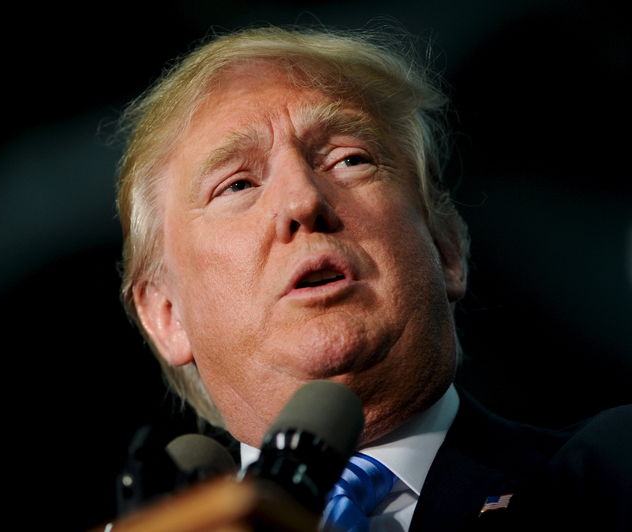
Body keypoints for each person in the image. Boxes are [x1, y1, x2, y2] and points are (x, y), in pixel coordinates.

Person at [112, 25, 630, 531]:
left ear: (446, 249)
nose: (303, 201)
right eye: (237, 184)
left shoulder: (611, 474)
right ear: (167, 315)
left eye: (349, 159)